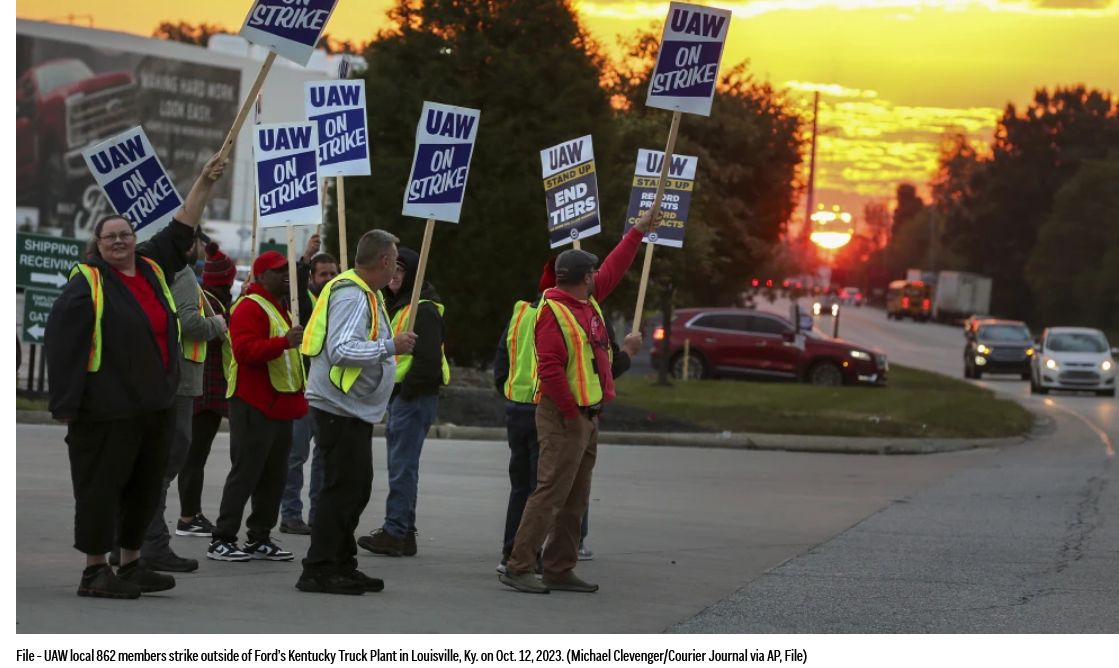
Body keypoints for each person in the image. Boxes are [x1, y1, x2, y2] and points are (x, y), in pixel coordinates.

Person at [46, 154, 226, 598]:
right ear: (98, 243)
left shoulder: (150, 266)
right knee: (101, 491)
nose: (120, 242)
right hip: (106, 411)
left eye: (126, 234)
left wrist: (203, 181)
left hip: (154, 407)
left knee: (143, 489)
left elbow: (182, 227)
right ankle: (94, 572)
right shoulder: (87, 283)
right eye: (111, 237)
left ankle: (130, 565)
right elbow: (61, 346)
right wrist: (67, 406)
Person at [499, 209, 661, 594]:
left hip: (586, 415)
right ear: (582, 278)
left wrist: (637, 232)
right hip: (563, 416)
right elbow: (550, 369)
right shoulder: (553, 311)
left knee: (575, 497)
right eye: (592, 272)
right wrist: (572, 417)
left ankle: (558, 566)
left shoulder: (587, 302)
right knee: (551, 491)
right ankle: (520, 564)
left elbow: (614, 268)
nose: (597, 276)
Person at [297, 230, 415, 595]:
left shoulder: (366, 292)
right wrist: (390, 346)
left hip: (351, 408)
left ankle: (341, 562)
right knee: (342, 490)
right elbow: (341, 349)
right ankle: (320, 568)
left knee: (353, 488)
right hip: (339, 407)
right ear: (383, 261)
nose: (396, 268)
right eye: (394, 260)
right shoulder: (352, 294)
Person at [207, 250, 306, 562]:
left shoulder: (279, 307)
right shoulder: (250, 306)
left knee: (274, 476)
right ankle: (222, 539)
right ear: (262, 276)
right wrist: (284, 343)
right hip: (253, 403)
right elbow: (246, 350)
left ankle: (259, 537)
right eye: (279, 271)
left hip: (279, 404)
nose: (286, 275)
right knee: (246, 473)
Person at [138, 232, 227, 571]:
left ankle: (130, 541)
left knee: (157, 463)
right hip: (180, 380)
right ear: (189, 245)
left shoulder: (155, 271)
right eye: (200, 242)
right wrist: (217, 323)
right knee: (166, 463)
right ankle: (151, 543)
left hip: (160, 376)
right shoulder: (184, 274)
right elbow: (189, 323)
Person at [357, 246, 449, 557]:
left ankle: (395, 531)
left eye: (401, 271)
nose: (394, 276)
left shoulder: (422, 309)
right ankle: (404, 532)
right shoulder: (399, 306)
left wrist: (405, 392)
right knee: (404, 467)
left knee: (402, 468)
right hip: (406, 397)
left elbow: (427, 363)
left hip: (413, 398)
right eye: (391, 269)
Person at [177, 241, 237, 537]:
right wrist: (221, 323)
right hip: (203, 389)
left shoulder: (219, 301)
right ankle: (189, 516)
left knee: (196, 456)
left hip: (211, 388)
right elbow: (204, 332)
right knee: (194, 457)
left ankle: (192, 513)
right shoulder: (207, 300)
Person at [280, 237, 339, 535]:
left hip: (330, 393)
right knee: (296, 457)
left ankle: (319, 515)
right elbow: (297, 294)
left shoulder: (341, 301)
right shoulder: (305, 301)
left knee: (324, 460)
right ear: (312, 278)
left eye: (333, 274)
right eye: (323, 274)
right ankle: (291, 514)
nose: (329, 279)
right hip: (305, 390)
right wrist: (305, 257)